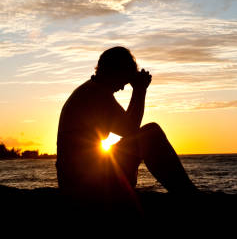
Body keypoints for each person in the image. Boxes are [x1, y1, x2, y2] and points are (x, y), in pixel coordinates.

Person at [56, 46, 197, 201]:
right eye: (124, 79)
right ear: (116, 72)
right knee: (151, 134)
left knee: (149, 132)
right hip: (84, 184)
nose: (123, 87)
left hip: (78, 179)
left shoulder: (92, 90)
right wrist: (140, 90)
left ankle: (185, 192)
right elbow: (130, 129)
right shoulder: (96, 94)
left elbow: (127, 126)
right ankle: (188, 194)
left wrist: (138, 89)